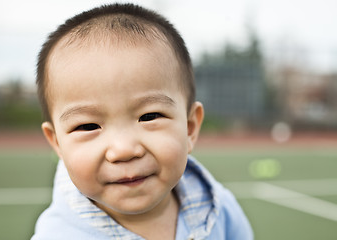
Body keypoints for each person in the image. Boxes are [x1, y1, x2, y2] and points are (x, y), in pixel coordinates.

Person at [32, 3, 253, 240]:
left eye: (149, 117)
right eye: (88, 126)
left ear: (189, 128)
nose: (124, 150)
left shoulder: (221, 211)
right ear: (57, 144)